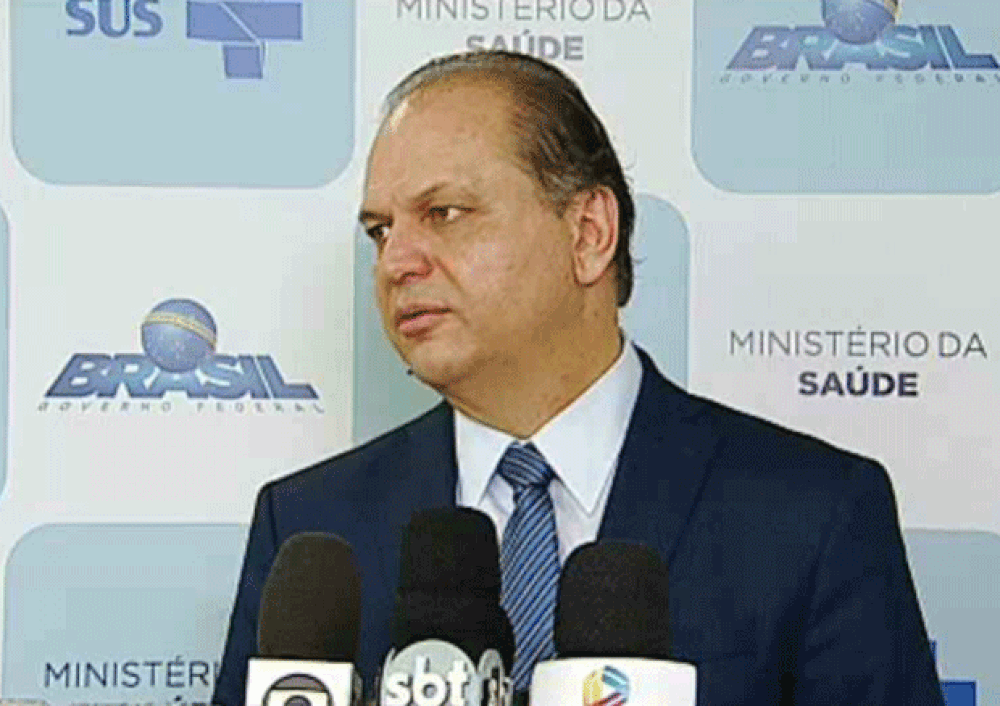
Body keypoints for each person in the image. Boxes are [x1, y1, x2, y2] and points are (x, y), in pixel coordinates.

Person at [212, 50, 944, 705]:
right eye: (381, 231)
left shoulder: (811, 515)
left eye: (445, 212)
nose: (396, 262)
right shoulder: (309, 527)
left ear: (589, 233)